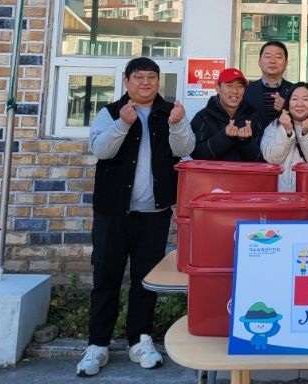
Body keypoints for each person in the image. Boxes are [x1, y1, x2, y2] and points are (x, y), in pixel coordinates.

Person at [77, 57, 196, 377]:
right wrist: (122, 124)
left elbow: (185, 148)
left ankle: (140, 340)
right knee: (106, 276)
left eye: (152, 77)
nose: (146, 82)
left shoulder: (169, 112)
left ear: (159, 81)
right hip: (113, 213)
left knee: (146, 279)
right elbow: (100, 150)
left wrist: (178, 124)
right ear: (126, 81)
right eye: (139, 77)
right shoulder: (110, 112)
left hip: (154, 213)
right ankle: (97, 344)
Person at [260, 82, 308, 191]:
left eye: (305, 99)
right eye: (294, 99)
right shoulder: (274, 126)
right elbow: (272, 159)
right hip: (279, 195)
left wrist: (306, 133)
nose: (299, 104)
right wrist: (286, 131)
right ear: (288, 102)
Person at [191, 67, 264, 162]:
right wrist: (224, 137)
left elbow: (260, 159)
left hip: (244, 172)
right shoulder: (203, 117)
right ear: (218, 88)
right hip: (214, 172)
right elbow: (196, 154)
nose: (235, 91)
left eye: (240, 86)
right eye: (229, 85)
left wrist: (246, 141)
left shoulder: (253, 116)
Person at [242, 41, 294, 126]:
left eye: (278, 57)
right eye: (268, 56)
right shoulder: (246, 90)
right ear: (259, 62)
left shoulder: (295, 90)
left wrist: (287, 107)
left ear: (286, 63)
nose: (272, 61)